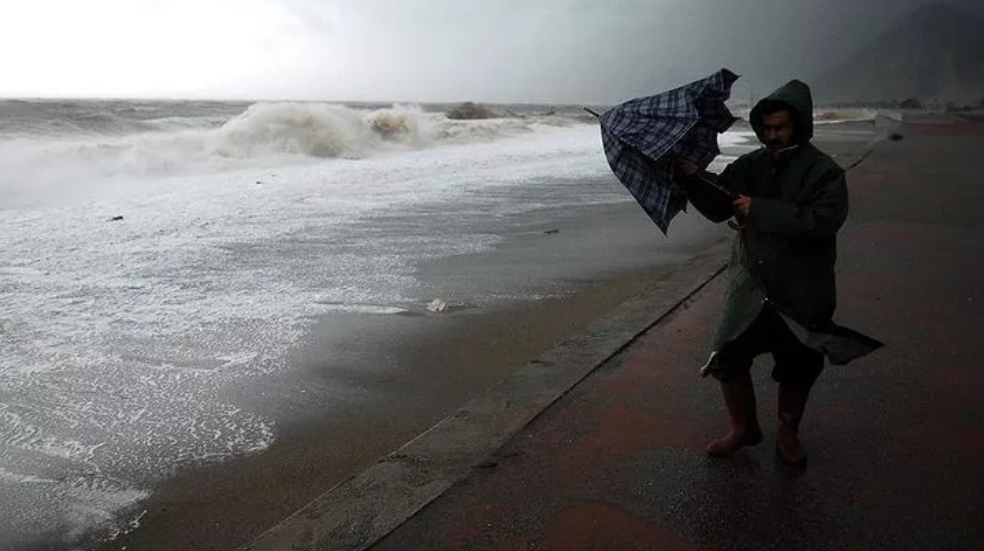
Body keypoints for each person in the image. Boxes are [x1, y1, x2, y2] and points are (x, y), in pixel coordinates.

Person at [676, 79, 852, 467]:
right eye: (767, 128)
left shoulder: (825, 172)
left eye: (780, 128)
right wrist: (690, 177)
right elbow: (722, 205)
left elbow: (822, 223)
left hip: (801, 286)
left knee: (799, 364)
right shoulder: (749, 165)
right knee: (728, 356)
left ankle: (788, 432)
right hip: (751, 283)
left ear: (800, 125)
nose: (772, 135)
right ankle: (744, 428)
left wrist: (761, 211)